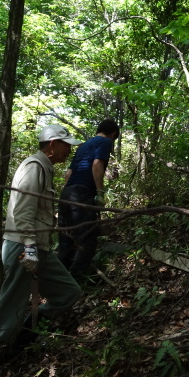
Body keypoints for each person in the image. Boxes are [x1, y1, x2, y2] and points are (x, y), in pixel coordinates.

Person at [0, 124, 84, 377]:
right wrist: (29, 246)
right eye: (66, 145)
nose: (69, 150)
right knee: (10, 304)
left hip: (38, 247)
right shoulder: (34, 166)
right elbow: (22, 211)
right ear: (52, 144)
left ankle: (22, 336)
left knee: (69, 292)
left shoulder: (45, 168)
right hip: (24, 247)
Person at [57, 118, 120, 282]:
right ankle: (76, 282)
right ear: (113, 134)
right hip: (81, 194)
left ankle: (58, 282)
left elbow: (68, 173)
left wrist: (67, 194)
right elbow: (97, 164)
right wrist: (100, 192)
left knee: (66, 240)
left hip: (66, 193)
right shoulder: (105, 142)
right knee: (87, 240)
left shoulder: (84, 145)